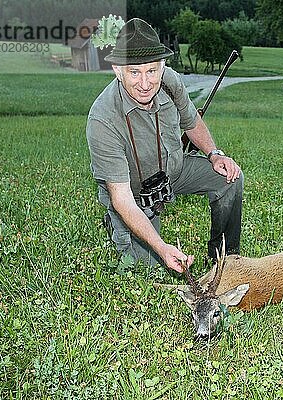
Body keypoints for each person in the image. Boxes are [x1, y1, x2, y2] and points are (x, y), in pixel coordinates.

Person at [86, 18, 243, 273]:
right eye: (134, 72)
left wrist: (214, 154)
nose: (145, 83)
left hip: (174, 171)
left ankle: (224, 261)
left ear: (162, 65)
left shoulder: (170, 82)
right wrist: (161, 246)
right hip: (133, 194)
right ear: (117, 69)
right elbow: (123, 198)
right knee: (149, 270)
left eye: (152, 71)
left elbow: (192, 122)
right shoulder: (103, 119)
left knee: (230, 179)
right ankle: (117, 224)